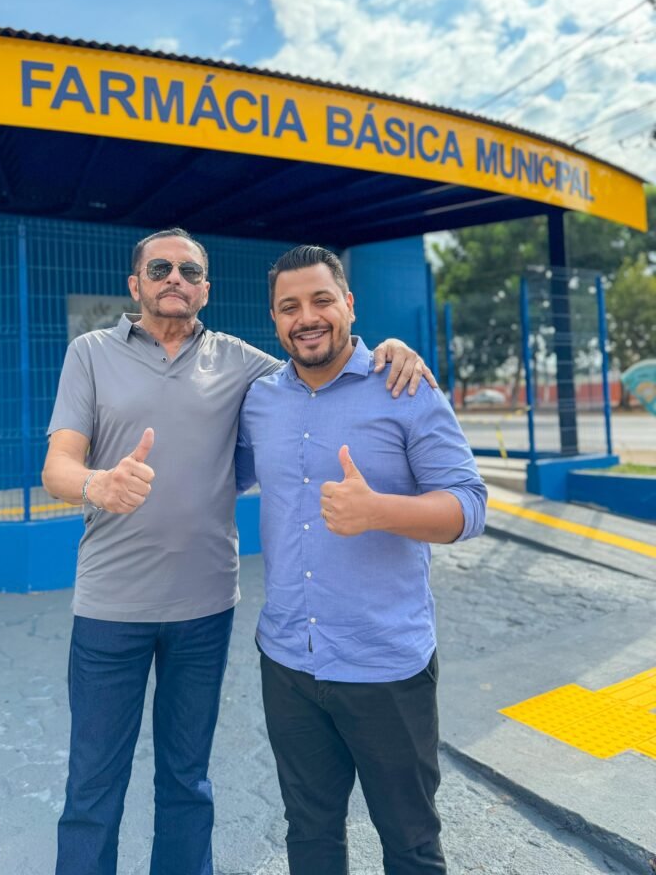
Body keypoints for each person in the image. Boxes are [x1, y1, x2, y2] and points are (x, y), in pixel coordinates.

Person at [41, 227, 435, 875]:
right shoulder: (90, 353)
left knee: (188, 782)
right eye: (161, 268)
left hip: (204, 610)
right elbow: (58, 464)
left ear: (206, 289)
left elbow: (322, 364)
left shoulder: (244, 366)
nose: (176, 279)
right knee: (91, 790)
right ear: (135, 284)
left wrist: (390, 351)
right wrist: (97, 484)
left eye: (190, 271)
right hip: (110, 609)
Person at [235, 244, 488, 875]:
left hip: (385, 667)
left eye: (322, 299)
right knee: (311, 834)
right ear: (275, 321)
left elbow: (470, 506)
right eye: (289, 307)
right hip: (289, 660)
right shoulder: (261, 401)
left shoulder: (404, 386)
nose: (307, 317)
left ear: (349, 303)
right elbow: (221, 473)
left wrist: (379, 511)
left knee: (410, 844)